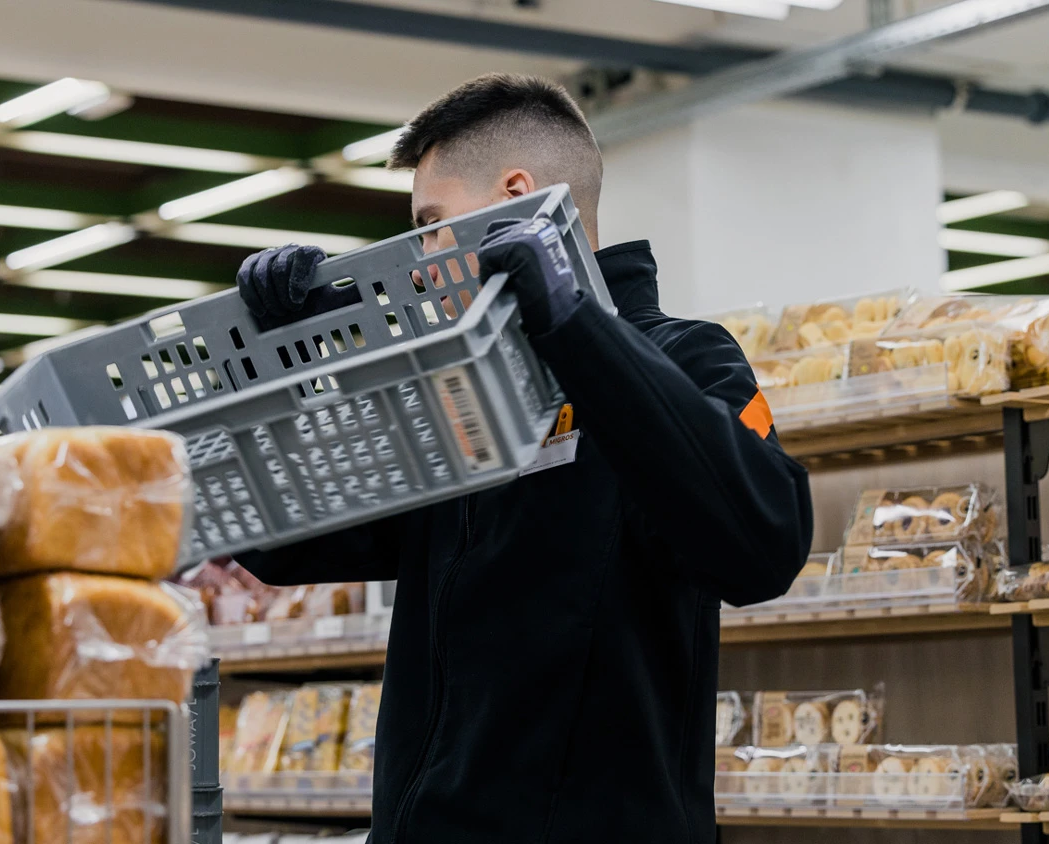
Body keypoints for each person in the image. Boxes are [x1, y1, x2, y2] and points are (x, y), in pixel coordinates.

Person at [234, 73, 813, 844]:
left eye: (431, 225)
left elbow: (762, 545)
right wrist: (286, 361)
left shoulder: (687, 357)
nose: (418, 260)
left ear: (516, 196)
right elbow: (279, 539)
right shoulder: (448, 396)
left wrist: (569, 323)